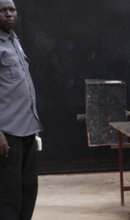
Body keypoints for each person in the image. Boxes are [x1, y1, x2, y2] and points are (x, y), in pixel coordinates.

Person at [0, 0, 43, 219]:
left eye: (12, 10)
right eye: (3, 10)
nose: (8, 14)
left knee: (29, 188)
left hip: (27, 128)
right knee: (9, 195)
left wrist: (34, 123)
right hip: (8, 133)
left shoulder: (14, 41)